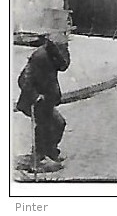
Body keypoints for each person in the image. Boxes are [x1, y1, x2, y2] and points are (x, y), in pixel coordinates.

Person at [16, 30, 71, 172]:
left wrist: (64, 51)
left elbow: (63, 66)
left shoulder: (54, 56)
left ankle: (50, 152)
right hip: (34, 101)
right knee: (45, 125)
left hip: (46, 101)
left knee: (59, 124)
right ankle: (38, 160)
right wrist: (36, 97)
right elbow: (23, 79)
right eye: (61, 46)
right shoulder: (39, 56)